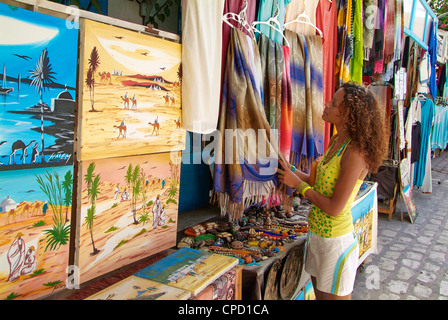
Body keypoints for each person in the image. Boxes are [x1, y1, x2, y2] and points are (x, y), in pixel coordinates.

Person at [277, 82, 388, 300]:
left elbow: (334, 207)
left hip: (335, 245)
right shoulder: (337, 140)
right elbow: (316, 183)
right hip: (318, 238)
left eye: (334, 103)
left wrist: (298, 185)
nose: (326, 104)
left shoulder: (355, 152)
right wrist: (289, 170)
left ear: (348, 115)